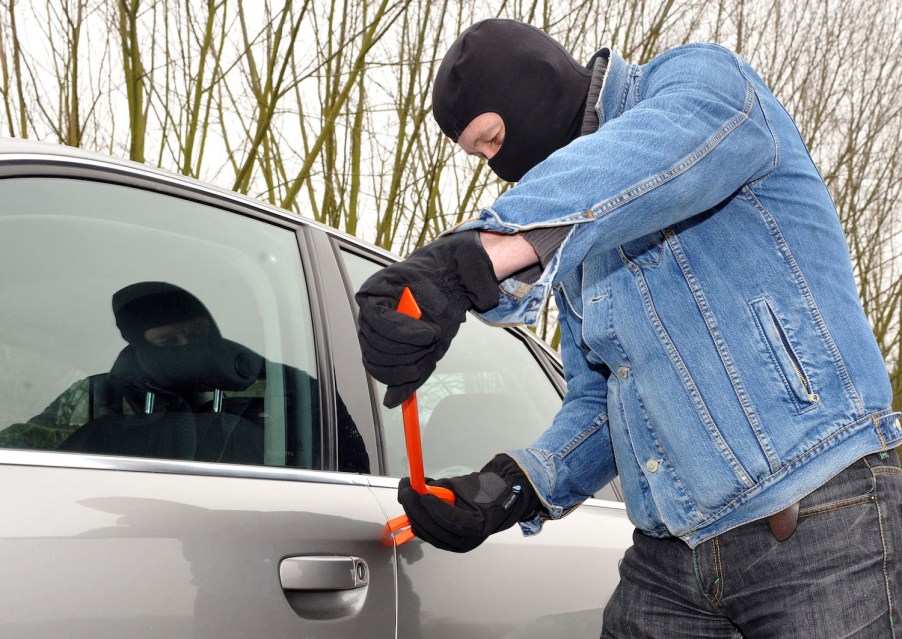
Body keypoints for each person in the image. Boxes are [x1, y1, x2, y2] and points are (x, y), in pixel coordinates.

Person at [355, 19, 902, 638]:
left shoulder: (701, 83)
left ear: (535, 85)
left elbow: (644, 160)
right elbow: (610, 401)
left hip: (817, 522)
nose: (496, 166)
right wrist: (512, 486)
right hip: (667, 561)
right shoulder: (574, 238)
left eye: (494, 139)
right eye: (478, 155)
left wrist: (475, 257)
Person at [1, 281, 369, 473]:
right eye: (168, 341)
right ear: (139, 348)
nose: (187, 350)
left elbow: (352, 466)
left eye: (197, 335)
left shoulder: (285, 388)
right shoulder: (98, 395)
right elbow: (33, 443)